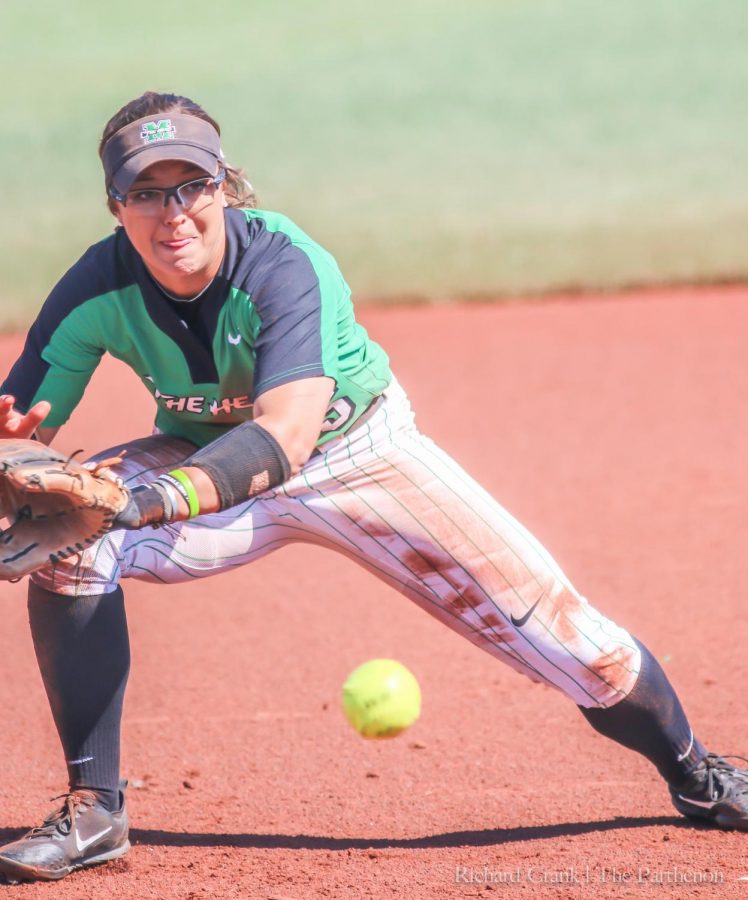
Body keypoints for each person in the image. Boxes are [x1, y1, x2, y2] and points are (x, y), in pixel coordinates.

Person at [0, 91, 745, 884]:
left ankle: (696, 776)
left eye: (192, 186)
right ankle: (96, 812)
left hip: (357, 453)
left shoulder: (284, 264)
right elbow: (24, 422)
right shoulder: (95, 285)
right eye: (146, 192)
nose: (172, 212)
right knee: (74, 549)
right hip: (201, 457)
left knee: (578, 647)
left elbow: (283, 438)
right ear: (116, 207)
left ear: (226, 188)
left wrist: (141, 503)